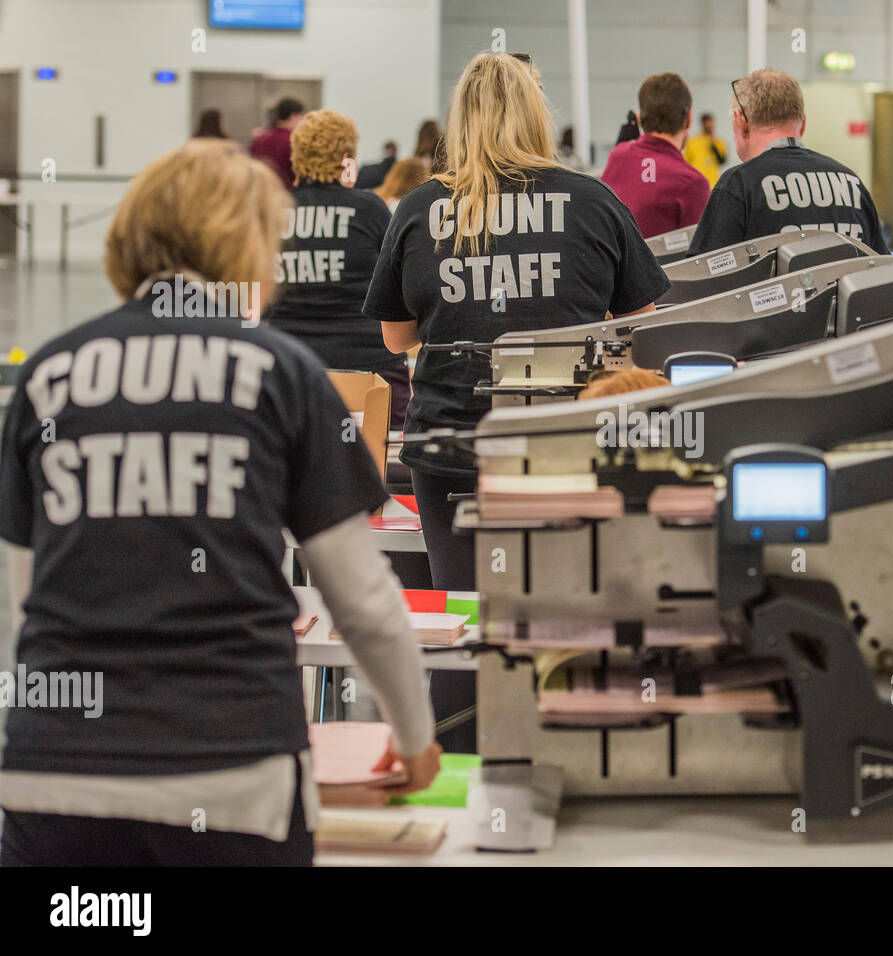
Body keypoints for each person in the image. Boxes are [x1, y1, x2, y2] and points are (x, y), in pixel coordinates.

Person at [0, 139, 439, 867]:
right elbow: (363, 601)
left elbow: (25, 601)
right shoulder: (281, 372)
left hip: (57, 776)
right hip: (235, 773)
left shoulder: (48, 375)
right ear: (248, 246)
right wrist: (416, 735)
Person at [362, 53, 669, 753]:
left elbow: (395, 334)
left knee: (466, 617)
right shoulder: (591, 200)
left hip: (451, 447)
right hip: (564, 445)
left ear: (459, 119)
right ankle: (561, 765)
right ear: (537, 113)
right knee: (563, 614)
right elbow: (643, 323)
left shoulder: (422, 206)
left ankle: (459, 783)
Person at [259, 110, 412, 428]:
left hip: (288, 368)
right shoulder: (369, 210)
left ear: (296, 155)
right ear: (347, 156)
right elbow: (401, 286)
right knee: (385, 468)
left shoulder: (272, 210)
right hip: (371, 371)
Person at [687, 68, 888, 255]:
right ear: (803, 124)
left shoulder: (738, 185)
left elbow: (701, 281)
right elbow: (880, 270)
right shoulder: (852, 183)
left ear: (741, 122)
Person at [601, 73, 710, 237]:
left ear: (639, 119)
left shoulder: (618, 155)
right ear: (688, 119)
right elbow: (696, 256)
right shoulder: (693, 183)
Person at [250, 97, 304, 189]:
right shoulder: (294, 141)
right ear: (294, 117)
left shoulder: (260, 138)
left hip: (262, 192)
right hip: (286, 194)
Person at [683, 113, 728, 187]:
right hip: (696, 182)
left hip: (713, 183)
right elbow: (686, 163)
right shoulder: (693, 141)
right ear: (702, 124)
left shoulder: (719, 142)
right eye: (706, 123)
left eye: (710, 123)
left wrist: (714, 145)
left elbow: (722, 161)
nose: (708, 126)